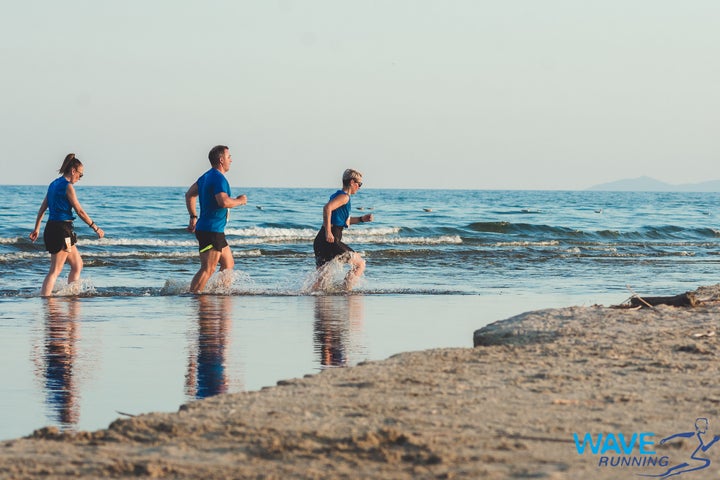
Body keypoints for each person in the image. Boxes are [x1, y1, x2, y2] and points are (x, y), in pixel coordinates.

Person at [29, 154, 105, 296]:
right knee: (55, 270)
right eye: (80, 175)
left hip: (53, 229)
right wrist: (95, 227)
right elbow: (80, 211)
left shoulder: (53, 184)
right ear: (73, 171)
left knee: (77, 265)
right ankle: (45, 301)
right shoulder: (68, 187)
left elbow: (42, 208)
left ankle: (72, 296)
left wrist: (37, 228)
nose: (80, 178)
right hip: (61, 231)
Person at [185, 145, 247, 293]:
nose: (231, 160)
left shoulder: (206, 176)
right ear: (221, 160)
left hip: (213, 230)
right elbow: (223, 202)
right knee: (208, 268)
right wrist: (240, 201)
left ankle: (219, 293)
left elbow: (189, 195)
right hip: (211, 231)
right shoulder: (219, 179)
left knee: (228, 264)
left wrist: (193, 217)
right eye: (228, 157)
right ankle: (193, 297)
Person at [313, 168, 373, 290]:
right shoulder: (344, 197)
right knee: (360, 264)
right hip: (331, 239)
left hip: (321, 240)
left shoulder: (337, 195)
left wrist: (362, 219)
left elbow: (343, 221)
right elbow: (327, 208)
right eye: (359, 184)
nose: (359, 187)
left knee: (323, 277)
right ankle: (345, 291)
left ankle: (308, 294)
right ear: (352, 182)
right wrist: (328, 232)